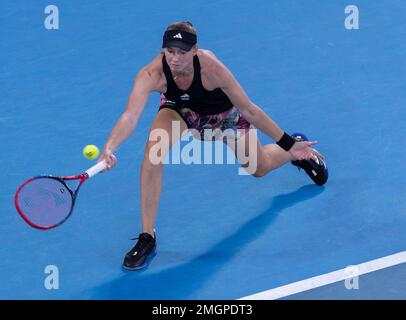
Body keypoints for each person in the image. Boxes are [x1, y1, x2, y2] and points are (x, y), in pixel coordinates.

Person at [98, 21, 328, 270]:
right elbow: (130, 116)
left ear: (195, 49)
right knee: (153, 152)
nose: (175, 59)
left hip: (224, 115)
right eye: (170, 51)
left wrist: (288, 143)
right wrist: (111, 146)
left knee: (259, 168)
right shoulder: (152, 74)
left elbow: (250, 110)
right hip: (182, 111)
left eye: (182, 52)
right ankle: (147, 237)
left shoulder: (213, 69)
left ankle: (295, 152)